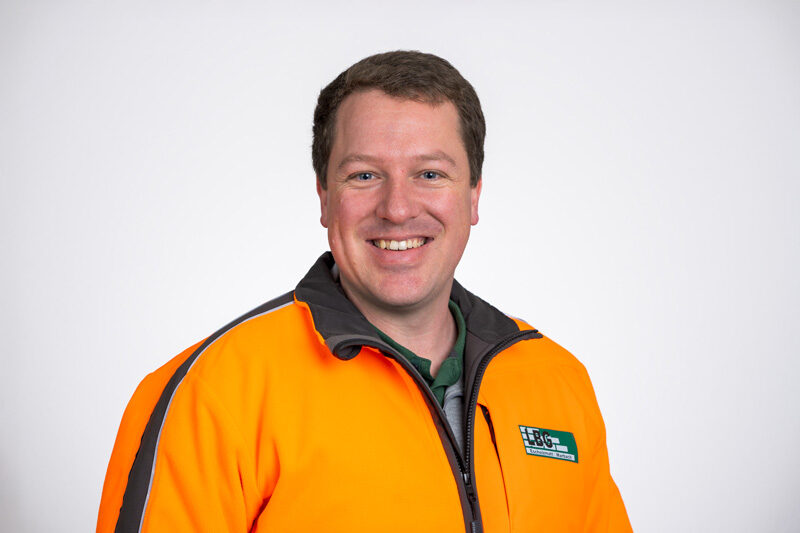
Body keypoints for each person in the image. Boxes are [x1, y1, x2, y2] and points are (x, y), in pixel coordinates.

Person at [98, 50, 632, 532]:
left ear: (473, 196)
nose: (397, 209)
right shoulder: (212, 394)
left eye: (429, 174)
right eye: (364, 176)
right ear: (324, 196)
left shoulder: (557, 383)